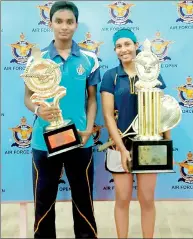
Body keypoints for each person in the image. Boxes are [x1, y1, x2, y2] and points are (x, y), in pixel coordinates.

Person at [24, 1, 100, 238]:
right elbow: (28, 98)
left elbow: (92, 99)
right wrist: (38, 111)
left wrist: (88, 129)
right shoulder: (37, 59)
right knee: (44, 201)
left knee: (83, 200)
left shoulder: (89, 59)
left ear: (76, 25)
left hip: (79, 140)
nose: (64, 27)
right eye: (59, 21)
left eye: (69, 22)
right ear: (50, 24)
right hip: (43, 141)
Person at [100, 29, 170, 239]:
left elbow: (162, 112)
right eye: (119, 46)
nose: (124, 49)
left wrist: (167, 144)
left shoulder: (152, 72)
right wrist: (122, 149)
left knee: (147, 199)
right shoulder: (110, 76)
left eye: (127, 44)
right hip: (119, 146)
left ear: (136, 45)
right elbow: (108, 116)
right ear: (115, 50)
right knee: (122, 199)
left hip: (149, 146)